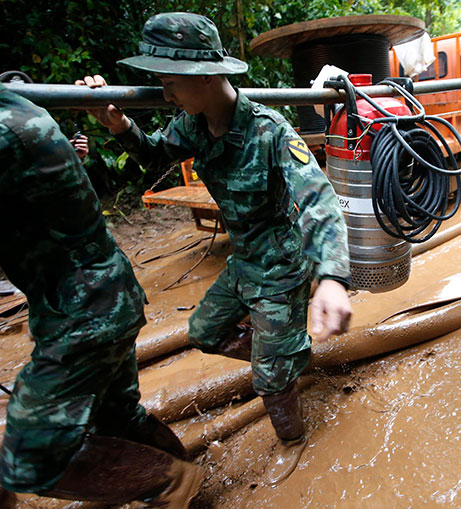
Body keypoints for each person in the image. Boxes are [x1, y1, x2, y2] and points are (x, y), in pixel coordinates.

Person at [77, 12, 353, 484]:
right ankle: (288, 357)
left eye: (170, 83)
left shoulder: (270, 131)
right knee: (205, 332)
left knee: (267, 379)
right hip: (244, 259)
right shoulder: (192, 125)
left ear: (205, 76)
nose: (164, 95)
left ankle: (291, 434)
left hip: (283, 264)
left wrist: (331, 277)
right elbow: (153, 154)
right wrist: (118, 124)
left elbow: (319, 201)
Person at [0, 84, 201, 506]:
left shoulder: (6, 127)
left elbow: (158, 151)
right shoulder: (17, 105)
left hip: (83, 311)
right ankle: (187, 485)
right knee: (116, 417)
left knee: (28, 457)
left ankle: (172, 482)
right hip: (101, 295)